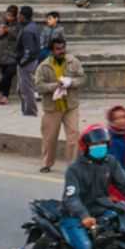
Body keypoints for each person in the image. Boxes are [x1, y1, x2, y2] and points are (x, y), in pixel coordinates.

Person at [58, 126, 125, 249]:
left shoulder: (110, 162)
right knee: (85, 248)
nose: (100, 146)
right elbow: (72, 198)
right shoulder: (74, 169)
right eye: (95, 144)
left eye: (103, 143)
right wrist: (84, 216)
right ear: (86, 146)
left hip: (101, 211)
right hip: (75, 217)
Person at [34, 34, 85, 173]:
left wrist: (71, 83)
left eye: (63, 48)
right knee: (49, 138)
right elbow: (38, 86)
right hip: (52, 107)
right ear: (52, 51)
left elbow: (82, 78)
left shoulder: (73, 62)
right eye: (58, 49)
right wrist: (54, 86)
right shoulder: (43, 66)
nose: (61, 51)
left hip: (70, 105)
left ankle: (72, 165)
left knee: (73, 136)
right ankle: (47, 163)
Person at [0, 4, 21, 106]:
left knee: (9, 73)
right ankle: (4, 96)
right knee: (6, 76)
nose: (8, 17)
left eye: (10, 16)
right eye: (7, 15)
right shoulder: (1, 22)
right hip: (2, 52)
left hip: (14, 53)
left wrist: (8, 30)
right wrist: (0, 33)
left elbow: (19, 36)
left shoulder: (19, 24)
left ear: (15, 16)